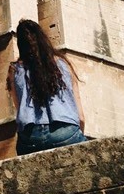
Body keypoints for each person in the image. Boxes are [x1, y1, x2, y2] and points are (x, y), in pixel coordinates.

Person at [6, 19, 87, 155]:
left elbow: (19, 108)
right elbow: (81, 117)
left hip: (31, 138)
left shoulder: (14, 70)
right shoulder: (64, 64)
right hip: (65, 131)